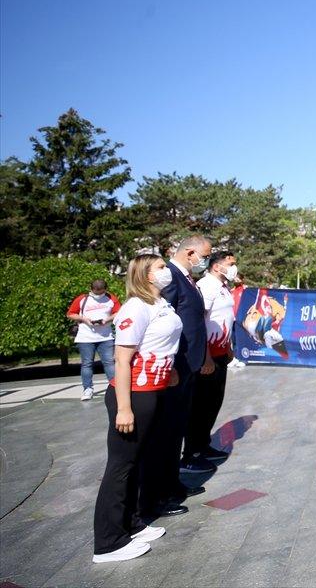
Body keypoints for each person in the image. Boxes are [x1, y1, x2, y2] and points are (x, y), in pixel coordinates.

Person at [92, 254, 181, 563]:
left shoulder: (160, 304)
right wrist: (124, 409)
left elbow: (160, 345)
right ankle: (108, 542)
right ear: (145, 275)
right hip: (133, 396)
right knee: (121, 466)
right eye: (160, 267)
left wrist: (170, 371)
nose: (166, 270)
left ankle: (131, 523)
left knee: (137, 462)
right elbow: (122, 360)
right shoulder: (135, 307)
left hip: (154, 391)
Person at [143, 234, 214, 518]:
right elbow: (165, 322)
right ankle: (160, 492)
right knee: (167, 431)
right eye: (205, 255)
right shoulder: (170, 276)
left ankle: (172, 483)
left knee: (176, 430)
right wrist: (170, 362)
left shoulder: (185, 277)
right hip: (176, 366)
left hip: (187, 365)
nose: (206, 260)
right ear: (190, 252)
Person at [182, 251, 237, 470]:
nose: (234, 267)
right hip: (208, 355)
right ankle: (190, 453)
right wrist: (205, 356)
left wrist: (229, 347)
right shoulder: (206, 286)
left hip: (221, 352)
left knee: (213, 402)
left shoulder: (223, 287)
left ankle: (202, 444)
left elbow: (224, 319)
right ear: (216, 266)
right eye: (230, 263)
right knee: (201, 405)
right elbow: (199, 322)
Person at [68, 279, 122, 401]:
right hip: (86, 337)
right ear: (91, 289)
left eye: (101, 292)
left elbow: (119, 312)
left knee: (109, 362)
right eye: (96, 292)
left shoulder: (110, 298)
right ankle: (87, 389)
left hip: (105, 336)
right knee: (87, 363)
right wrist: (84, 319)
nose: (98, 295)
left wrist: (106, 320)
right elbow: (71, 313)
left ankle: (115, 386)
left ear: (105, 289)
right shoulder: (83, 299)